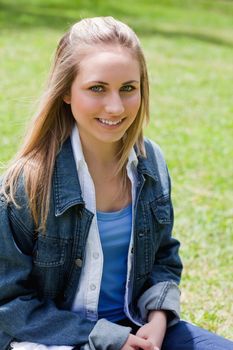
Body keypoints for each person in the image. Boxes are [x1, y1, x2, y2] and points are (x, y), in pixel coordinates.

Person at [0, 16, 232, 350]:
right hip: (56, 340)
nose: (115, 106)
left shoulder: (150, 165)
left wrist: (158, 318)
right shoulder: (26, 185)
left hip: (136, 329)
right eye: (97, 88)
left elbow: (163, 256)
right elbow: (9, 304)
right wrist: (109, 339)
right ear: (65, 91)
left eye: (128, 88)